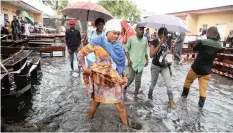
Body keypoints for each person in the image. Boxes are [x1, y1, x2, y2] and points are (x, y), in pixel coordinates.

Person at [78, 19, 128, 125]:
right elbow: (81, 53)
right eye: (114, 33)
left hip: (114, 78)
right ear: (107, 32)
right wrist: (84, 67)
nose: (116, 36)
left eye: (118, 34)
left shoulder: (118, 45)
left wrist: (122, 72)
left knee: (120, 106)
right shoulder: (97, 42)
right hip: (101, 79)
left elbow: (120, 62)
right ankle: (88, 124)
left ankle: (126, 128)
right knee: (96, 103)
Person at [181, 27, 222, 109]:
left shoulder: (203, 41)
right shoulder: (219, 45)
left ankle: (183, 99)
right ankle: (200, 107)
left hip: (196, 68)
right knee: (203, 89)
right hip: (207, 71)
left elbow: (194, 49)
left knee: (188, 81)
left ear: (209, 34)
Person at [148, 27, 175, 108]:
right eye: (165, 36)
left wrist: (171, 57)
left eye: (167, 36)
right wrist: (160, 44)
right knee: (153, 83)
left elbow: (169, 53)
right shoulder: (154, 41)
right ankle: (149, 98)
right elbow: (151, 55)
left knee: (169, 83)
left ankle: (171, 101)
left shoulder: (168, 42)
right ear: (160, 35)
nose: (166, 38)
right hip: (155, 66)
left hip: (164, 66)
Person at [124, 24, 149, 101]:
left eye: (143, 29)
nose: (142, 31)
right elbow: (126, 49)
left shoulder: (145, 40)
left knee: (138, 80)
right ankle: (124, 90)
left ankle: (135, 96)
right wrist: (128, 59)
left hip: (141, 63)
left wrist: (147, 59)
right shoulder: (131, 39)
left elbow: (145, 51)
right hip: (132, 63)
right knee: (131, 78)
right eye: (140, 29)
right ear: (136, 30)